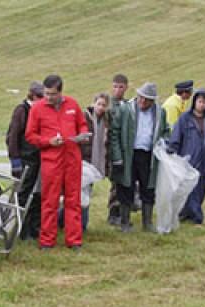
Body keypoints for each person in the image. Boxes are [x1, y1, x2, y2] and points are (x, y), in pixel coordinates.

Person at [25, 75, 89, 250]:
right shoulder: (37, 109)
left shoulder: (73, 105)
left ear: (61, 91)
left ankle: (74, 240)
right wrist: (48, 142)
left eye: (52, 94)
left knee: (73, 200)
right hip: (51, 160)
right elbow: (30, 135)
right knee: (49, 200)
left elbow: (82, 125)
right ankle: (47, 240)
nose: (48, 97)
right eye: (46, 93)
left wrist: (82, 135)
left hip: (72, 159)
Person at [111, 82, 168, 233]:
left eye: (147, 100)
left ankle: (147, 222)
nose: (142, 102)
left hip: (148, 155)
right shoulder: (125, 109)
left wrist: (164, 145)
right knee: (125, 187)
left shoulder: (160, 113)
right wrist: (117, 156)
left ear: (153, 101)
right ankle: (125, 222)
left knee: (148, 188)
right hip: (128, 154)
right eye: (141, 98)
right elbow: (114, 133)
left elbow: (166, 131)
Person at [168, 88, 205, 225]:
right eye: (200, 101)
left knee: (201, 189)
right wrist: (172, 152)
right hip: (188, 160)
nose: (202, 105)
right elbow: (176, 137)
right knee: (191, 190)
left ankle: (186, 213)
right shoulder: (185, 119)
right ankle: (197, 216)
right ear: (195, 102)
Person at [6, 81, 44, 240]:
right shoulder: (22, 111)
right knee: (23, 195)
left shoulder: (40, 110)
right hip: (24, 161)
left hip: (38, 160)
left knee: (37, 195)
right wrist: (15, 161)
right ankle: (22, 230)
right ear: (33, 95)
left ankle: (35, 228)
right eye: (41, 96)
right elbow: (12, 137)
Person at [79, 92, 112, 230]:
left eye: (104, 105)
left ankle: (82, 223)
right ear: (94, 103)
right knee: (81, 192)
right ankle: (81, 224)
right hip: (84, 160)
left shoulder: (105, 121)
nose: (101, 107)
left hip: (95, 162)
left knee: (87, 192)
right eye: (99, 104)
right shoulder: (85, 117)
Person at [106, 74, 129, 226]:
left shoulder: (128, 105)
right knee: (115, 182)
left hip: (126, 149)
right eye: (115, 86)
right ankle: (113, 213)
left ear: (126, 87)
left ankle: (123, 211)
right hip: (112, 149)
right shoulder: (108, 106)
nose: (117, 90)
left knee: (124, 182)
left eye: (121, 87)